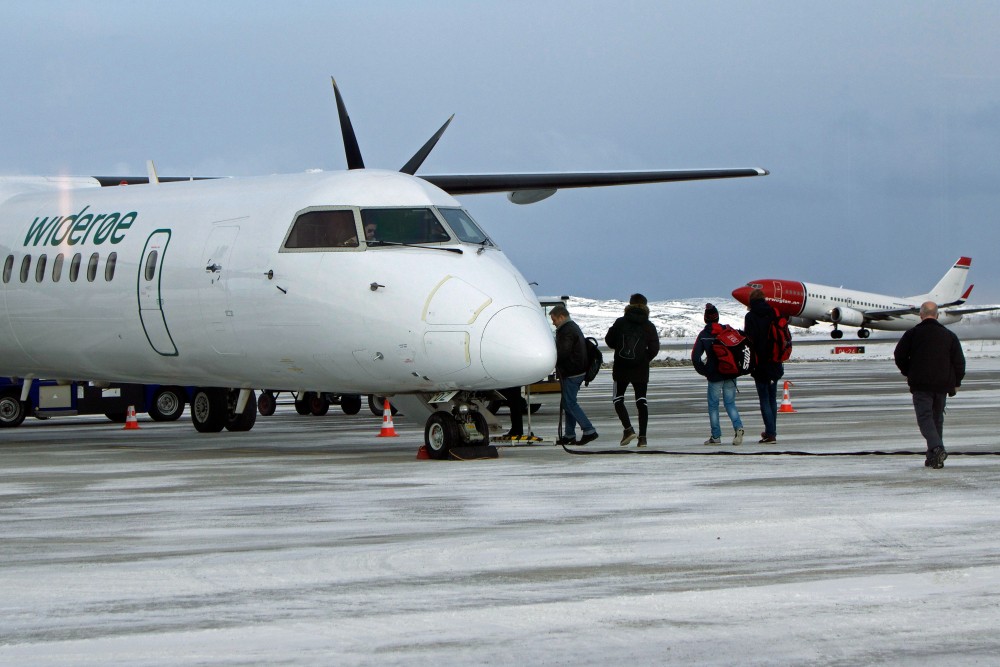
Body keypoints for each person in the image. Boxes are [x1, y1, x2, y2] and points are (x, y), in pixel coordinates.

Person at [893, 301, 966, 469]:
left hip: (921, 384)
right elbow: (959, 362)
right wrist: (957, 382)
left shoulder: (912, 334)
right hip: (942, 385)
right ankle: (934, 457)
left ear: (921, 314)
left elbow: (899, 356)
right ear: (938, 315)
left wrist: (908, 371)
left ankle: (937, 448)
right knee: (936, 419)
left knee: (925, 419)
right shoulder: (949, 335)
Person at [605, 293, 660, 447]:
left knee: (618, 399)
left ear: (629, 305)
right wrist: (643, 358)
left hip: (621, 367)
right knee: (641, 401)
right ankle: (642, 437)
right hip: (640, 369)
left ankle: (628, 429)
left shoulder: (621, 322)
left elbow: (609, 340)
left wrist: (621, 351)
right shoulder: (649, 326)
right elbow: (655, 348)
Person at [691, 303, 744, 446]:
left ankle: (716, 436)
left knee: (713, 406)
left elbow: (695, 357)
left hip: (714, 375)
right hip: (730, 373)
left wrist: (705, 370)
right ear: (717, 317)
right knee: (730, 403)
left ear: (705, 319)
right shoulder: (727, 331)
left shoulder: (704, 335)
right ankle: (738, 427)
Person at [550, 304, 598, 446]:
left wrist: (552, 359)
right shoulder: (570, 328)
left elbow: (563, 352)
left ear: (561, 317)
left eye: (554, 319)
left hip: (573, 372)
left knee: (569, 403)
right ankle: (569, 434)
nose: (553, 323)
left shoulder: (567, 330)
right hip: (574, 371)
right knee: (567, 402)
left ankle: (589, 430)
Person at [743, 288, 783, 443]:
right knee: (772, 399)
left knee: (764, 399)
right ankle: (770, 431)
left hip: (760, 363)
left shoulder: (751, 316)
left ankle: (771, 433)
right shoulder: (774, 312)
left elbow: (749, 339)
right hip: (775, 361)